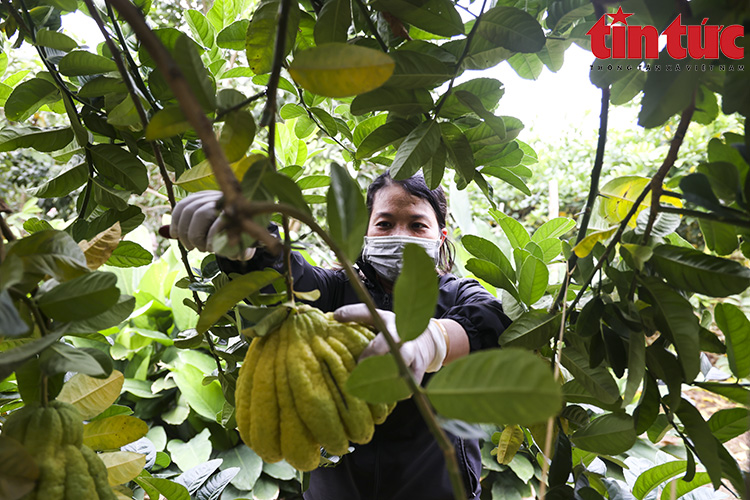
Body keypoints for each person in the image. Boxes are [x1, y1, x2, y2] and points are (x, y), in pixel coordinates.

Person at [170, 171, 512, 500]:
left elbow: (491, 323)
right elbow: (290, 275)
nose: (400, 234)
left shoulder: (457, 294)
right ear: (367, 231)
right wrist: (251, 239)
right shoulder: (337, 291)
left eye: (417, 225)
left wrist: (432, 340)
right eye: (385, 223)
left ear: (440, 236)